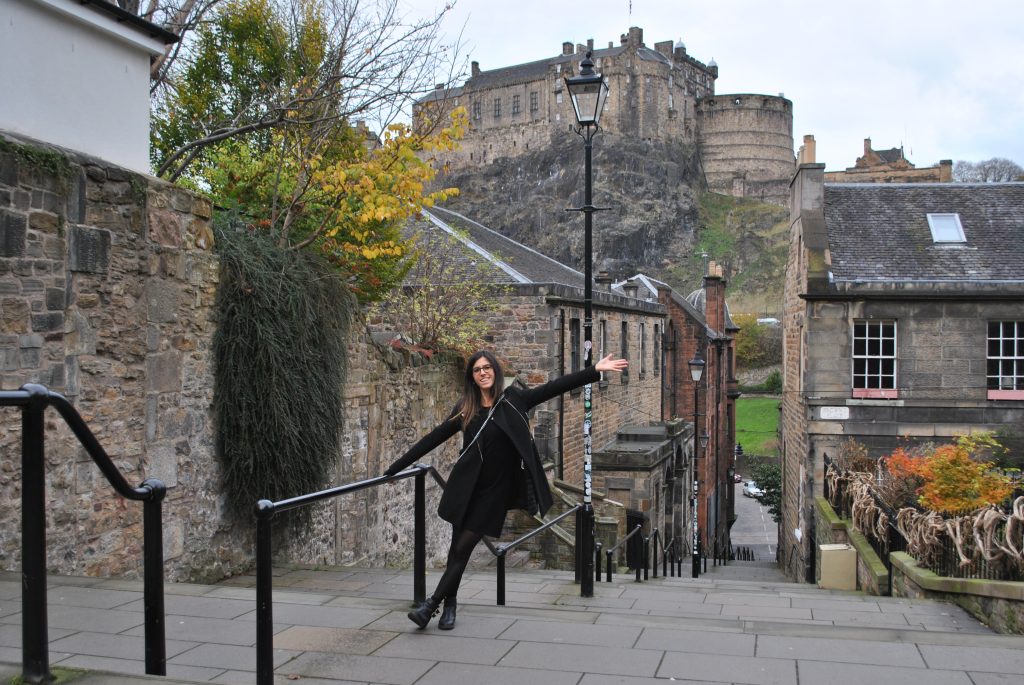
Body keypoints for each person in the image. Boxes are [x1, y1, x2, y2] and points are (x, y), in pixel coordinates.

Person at [383, 350, 628, 629]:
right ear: (472, 377)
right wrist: (396, 467)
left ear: (496, 372)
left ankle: (430, 606)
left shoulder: (514, 400)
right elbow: (434, 437)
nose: (483, 373)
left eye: (487, 368)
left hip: (494, 492)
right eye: (477, 370)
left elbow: (554, 387)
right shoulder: (466, 407)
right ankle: (449, 605)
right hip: (465, 488)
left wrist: (595, 370)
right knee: (455, 550)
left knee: (463, 548)